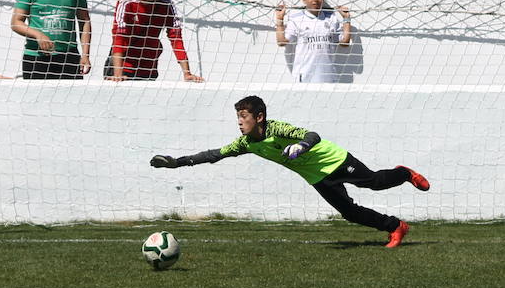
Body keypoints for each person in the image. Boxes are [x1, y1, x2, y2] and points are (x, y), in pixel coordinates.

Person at [150, 94, 429, 247]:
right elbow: (214, 155)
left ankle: (404, 173)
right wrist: (177, 162)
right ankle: (395, 226)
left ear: (259, 117)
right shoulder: (247, 142)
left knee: (375, 183)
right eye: (237, 117)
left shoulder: (276, 129)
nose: (239, 123)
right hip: (316, 176)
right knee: (349, 213)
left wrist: (301, 147)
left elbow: (313, 135)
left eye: (243, 117)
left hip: (333, 160)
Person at [108, 0, 203, 82]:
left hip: (149, 68)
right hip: (124, 67)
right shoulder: (126, 3)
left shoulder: (166, 4)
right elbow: (118, 38)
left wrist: (187, 73)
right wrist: (118, 73)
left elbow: (175, 37)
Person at [275, 0, 353, 82]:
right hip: (304, 78)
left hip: (328, 78)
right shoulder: (296, 19)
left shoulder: (331, 19)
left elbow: (344, 42)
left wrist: (346, 19)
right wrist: (279, 19)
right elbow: (281, 42)